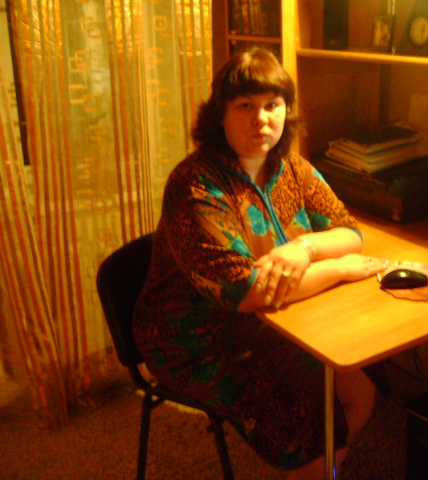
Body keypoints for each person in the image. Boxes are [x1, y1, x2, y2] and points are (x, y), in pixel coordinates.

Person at [132, 47, 388, 479]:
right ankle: (315, 463)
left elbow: (349, 232)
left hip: (276, 322)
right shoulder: (196, 186)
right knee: (309, 432)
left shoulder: (290, 167)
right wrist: (340, 269)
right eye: (245, 106)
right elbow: (247, 291)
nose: (261, 119)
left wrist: (303, 249)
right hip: (198, 341)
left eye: (272, 105)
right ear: (220, 114)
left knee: (360, 394)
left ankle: (321, 465)